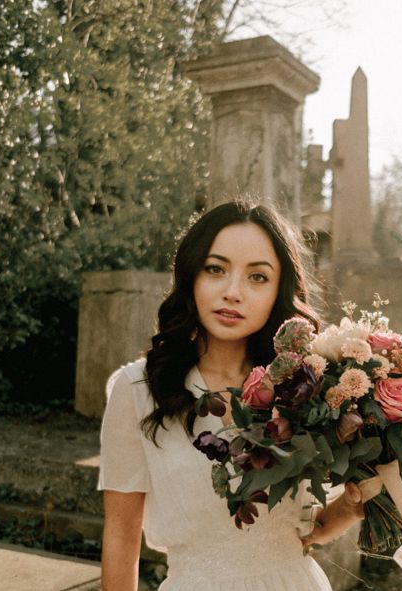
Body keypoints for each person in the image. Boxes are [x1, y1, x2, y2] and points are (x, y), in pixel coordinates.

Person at [98, 200, 365, 591]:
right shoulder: (139, 390)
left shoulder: (307, 386)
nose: (233, 292)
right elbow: (122, 535)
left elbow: (310, 528)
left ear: (279, 291)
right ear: (191, 275)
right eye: (216, 269)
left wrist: (358, 502)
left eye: (257, 277)